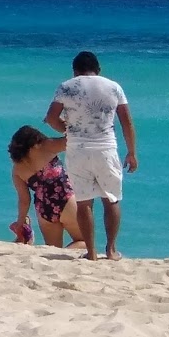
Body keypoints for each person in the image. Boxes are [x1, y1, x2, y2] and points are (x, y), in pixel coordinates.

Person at [46, 51, 137, 260]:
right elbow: (127, 122)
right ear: (98, 69)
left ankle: (91, 252)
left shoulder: (67, 86)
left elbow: (51, 118)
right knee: (111, 200)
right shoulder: (114, 87)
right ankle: (111, 249)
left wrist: (68, 130)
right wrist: (131, 153)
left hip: (77, 150)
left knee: (84, 202)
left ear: (75, 71)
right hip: (106, 149)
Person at [8, 125, 86, 250]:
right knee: (84, 241)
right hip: (64, 198)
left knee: (53, 249)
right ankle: (67, 252)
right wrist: (66, 124)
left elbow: (24, 200)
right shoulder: (46, 147)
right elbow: (72, 141)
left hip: (43, 208)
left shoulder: (17, 169)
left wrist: (20, 222)